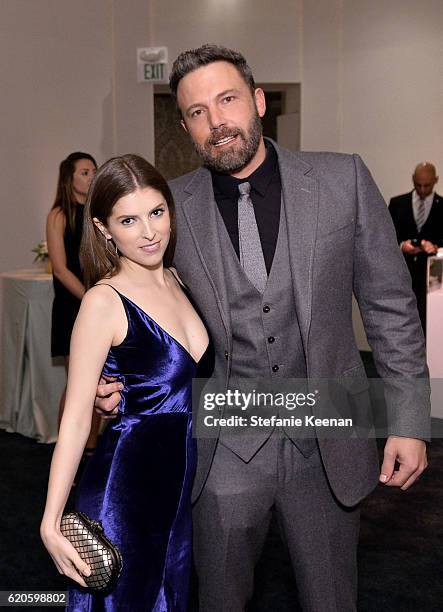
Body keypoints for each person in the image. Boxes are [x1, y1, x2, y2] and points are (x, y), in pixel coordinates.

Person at [95, 45, 430, 611]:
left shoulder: (340, 178)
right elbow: (136, 305)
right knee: (220, 600)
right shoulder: (169, 206)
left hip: (326, 438)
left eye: (226, 100)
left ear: (256, 101)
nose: (216, 121)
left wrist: (409, 419)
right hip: (223, 443)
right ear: (185, 125)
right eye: (197, 112)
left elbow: (391, 305)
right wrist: (115, 380)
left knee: (332, 600)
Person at [41, 154, 211, 611]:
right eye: (129, 220)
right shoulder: (103, 301)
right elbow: (76, 420)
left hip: (177, 488)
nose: (150, 232)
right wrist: (51, 519)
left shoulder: (178, 279)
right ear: (103, 228)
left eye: (157, 212)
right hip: (125, 489)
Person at [46, 152, 101, 464]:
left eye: (93, 169)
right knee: (78, 383)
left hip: (97, 305)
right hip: (73, 306)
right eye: (84, 171)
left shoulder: (99, 213)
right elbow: (59, 269)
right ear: (69, 178)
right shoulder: (58, 215)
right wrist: (90, 298)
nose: (91, 175)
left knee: (98, 382)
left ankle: (91, 449)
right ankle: (66, 453)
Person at [389, 162, 443, 332]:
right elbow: (386, 237)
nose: (422, 189)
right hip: (401, 276)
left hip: (432, 280)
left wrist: (435, 248)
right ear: (412, 179)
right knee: (400, 325)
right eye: (418, 184)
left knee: (430, 326)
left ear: (436, 180)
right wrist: (401, 246)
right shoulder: (397, 204)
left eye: (427, 185)